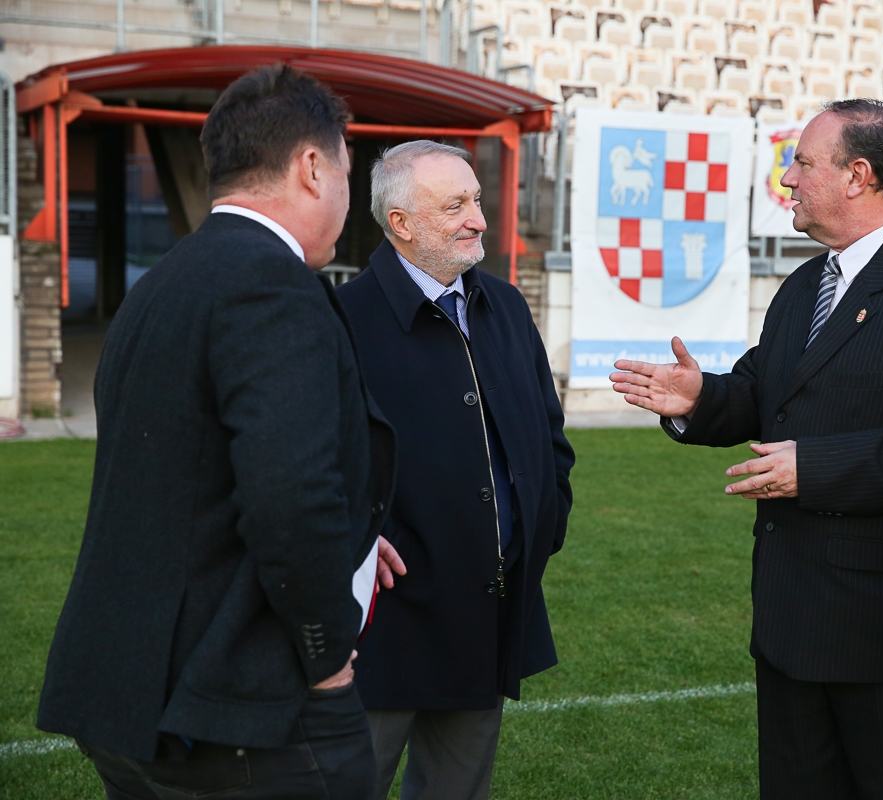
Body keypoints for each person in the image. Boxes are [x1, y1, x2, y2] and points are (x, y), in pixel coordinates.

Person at [609, 99, 883, 799]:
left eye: (801, 162)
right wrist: (699, 398)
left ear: (858, 175)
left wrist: (815, 470)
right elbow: (764, 390)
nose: (788, 179)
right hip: (789, 625)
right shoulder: (805, 284)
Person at [37, 65, 402, 799]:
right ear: (311, 168)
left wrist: (352, 545)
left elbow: (192, 469)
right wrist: (326, 651)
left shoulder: (163, 281)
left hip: (124, 692)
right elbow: (289, 494)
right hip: (234, 710)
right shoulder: (272, 283)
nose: (344, 195)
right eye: (344, 172)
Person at [335, 140, 575, 800]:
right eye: (454, 206)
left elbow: (548, 438)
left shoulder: (507, 306)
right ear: (401, 223)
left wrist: (544, 521)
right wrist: (359, 543)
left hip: (485, 618)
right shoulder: (342, 319)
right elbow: (314, 464)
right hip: (383, 628)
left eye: (476, 200)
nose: (478, 219)